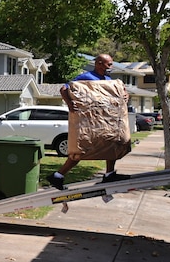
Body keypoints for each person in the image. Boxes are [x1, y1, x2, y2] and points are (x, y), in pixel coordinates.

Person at [47, 53, 129, 189]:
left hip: (106, 120)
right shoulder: (86, 77)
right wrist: (69, 104)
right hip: (89, 122)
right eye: (109, 64)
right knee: (81, 150)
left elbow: (119, 93)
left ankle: (109, 175)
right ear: (99, 64)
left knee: (112, 143)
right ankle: (58, 176)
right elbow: (64, 89)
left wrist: (125, 95)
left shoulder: (107, 79)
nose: (111, 67)